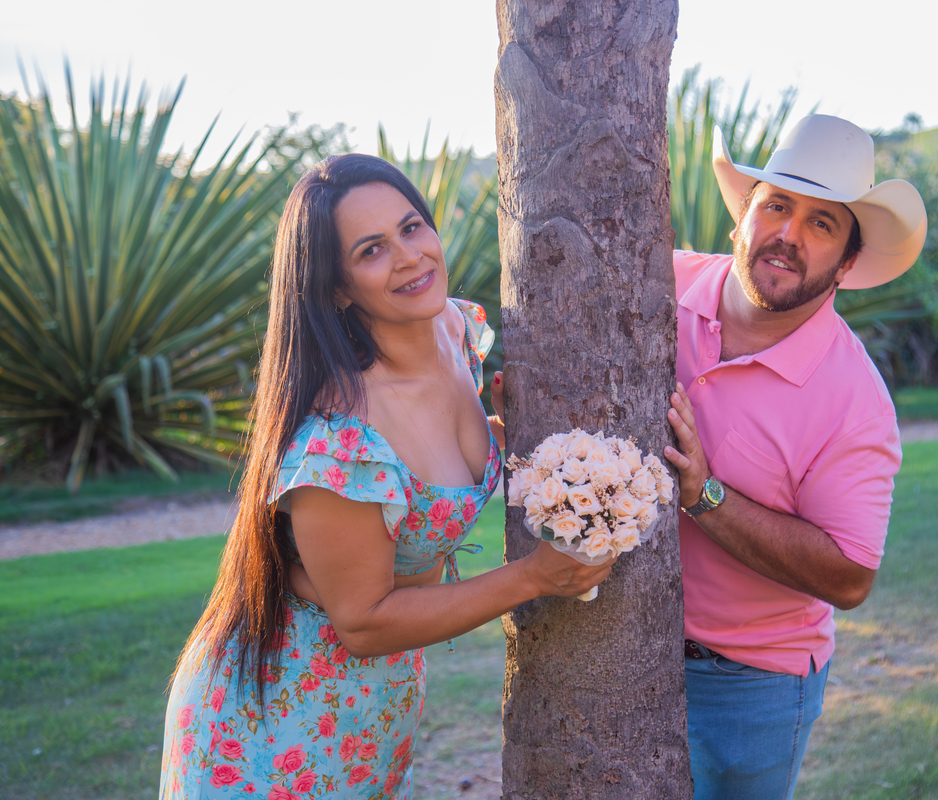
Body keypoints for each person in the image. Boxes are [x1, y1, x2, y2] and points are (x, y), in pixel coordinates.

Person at [160, 154, 613, 799]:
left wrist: (521, 439)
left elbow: (437, 471)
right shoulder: (342, 441)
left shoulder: (456, 332)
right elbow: (363, 620)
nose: (408, 257)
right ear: (337, 288)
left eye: (411, 227)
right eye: (371, 250)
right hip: (275, 725)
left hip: (370, 713)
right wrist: (534, 577)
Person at [662, 114, 927, 800]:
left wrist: (705, 495)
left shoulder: (854, 402)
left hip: (747, 681)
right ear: (742, 219)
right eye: (777, 206)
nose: (789, 235)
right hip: (618, 644)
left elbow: (850, 577)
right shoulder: (657, 288)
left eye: (822, 223)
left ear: (846, 264)